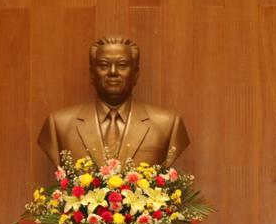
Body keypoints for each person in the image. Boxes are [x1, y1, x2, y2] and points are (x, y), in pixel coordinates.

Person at [37, 35, 189, 168]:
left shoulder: (168, 124)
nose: (113, 72)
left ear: (136, 74)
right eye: (103, 65)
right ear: (91, 73)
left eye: (122, 65)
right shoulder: (59, 124)